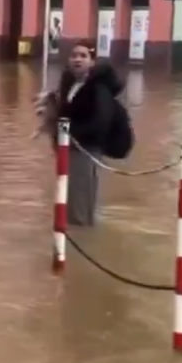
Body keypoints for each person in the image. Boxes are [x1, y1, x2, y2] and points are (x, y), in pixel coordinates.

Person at [35, 40, 124, 226]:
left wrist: (70, 134)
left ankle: (79, 241)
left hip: (85, 150)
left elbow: (101, 122)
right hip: (70, 148)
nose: (77, 59)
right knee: (73, 199)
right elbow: (67, 109)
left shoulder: (98, 87)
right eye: (74, 55)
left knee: (79, 202)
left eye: (83, 56)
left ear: (92, 61)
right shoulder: (71, 84)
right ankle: (80, 236)